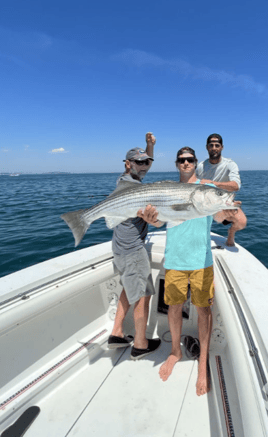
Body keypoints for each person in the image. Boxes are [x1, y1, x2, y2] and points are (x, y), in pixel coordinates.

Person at [138, 147, 240, 396]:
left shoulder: (205, 191)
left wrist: (228, 213)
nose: (186, 163)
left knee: (204, 311)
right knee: (174, 308)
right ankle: (175, 351)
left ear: (196, 163)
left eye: (190, 160)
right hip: (174, 261)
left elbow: (219, 217)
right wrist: (152, 220)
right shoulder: (168, 190)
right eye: (182, 160)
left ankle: (202, 361)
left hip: (201, 261)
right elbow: (161, 221)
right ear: (177, 164)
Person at [108, 133, 162, 360]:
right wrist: (155, 221)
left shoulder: (124, 181)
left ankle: (117, 333)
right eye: (138, 162)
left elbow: (144, 161)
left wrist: (150, 147)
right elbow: (155, 220)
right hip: (132, 249)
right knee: (142, 295)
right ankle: (140, 344)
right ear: (127, 164)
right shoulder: (132, 187)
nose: (144, 165)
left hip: (120, 247)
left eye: (146, 161)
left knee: (129, 289)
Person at [196, 133, 247, 246]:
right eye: (211, 145)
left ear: (221, 147)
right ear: (207, 147)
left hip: (222, 204)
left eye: (217, 145)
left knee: (242, 222)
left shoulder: (230, 164)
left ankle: (231, 233)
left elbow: (236, 186)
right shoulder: (200, 166)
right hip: (204, 204)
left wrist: (214, 183)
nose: (214, 148)